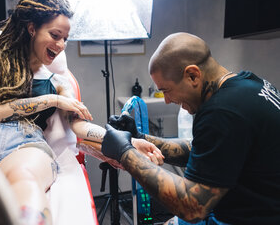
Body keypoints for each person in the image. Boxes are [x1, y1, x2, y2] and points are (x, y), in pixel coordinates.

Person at [0, 0, 163, 225]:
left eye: (65, 38)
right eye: (55, 35)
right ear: (32, 28)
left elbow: (80, 128)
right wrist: (52, 101)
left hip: (26, 145)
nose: (61, 45)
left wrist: (126, 144)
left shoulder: (59, 82)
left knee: (25, 180)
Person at [101, 32, 280, 225]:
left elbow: (192, 207)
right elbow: (206, 149)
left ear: (192, 75)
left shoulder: (221, 111)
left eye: (166, 91)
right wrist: (139, 136)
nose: (168, 101)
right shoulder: (250, 84)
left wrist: (125, 154)